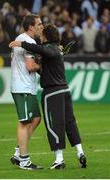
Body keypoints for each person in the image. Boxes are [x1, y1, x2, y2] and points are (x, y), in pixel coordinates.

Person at [9, 24, 87, 169]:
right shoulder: (55, 50)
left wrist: (22, 43)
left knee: (54, 125)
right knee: (70, 123)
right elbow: (44, 68)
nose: (41, 35)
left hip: (52, 93)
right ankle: (80, 152)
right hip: (64, 91)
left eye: (43, 33)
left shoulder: (51, 48)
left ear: (47, 36)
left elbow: (41, 50)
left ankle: (59, 160)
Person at [10, 14, 43, 170]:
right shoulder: (28, 41)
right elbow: (31, 67)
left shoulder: (22, 38)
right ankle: (24, 160)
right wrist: (42, 66)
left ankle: (18, 152)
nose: (41, 26)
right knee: (24, 122)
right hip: (22, 87)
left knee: (36, 118)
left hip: (27, 87)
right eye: (39, 24)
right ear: (31, 26)